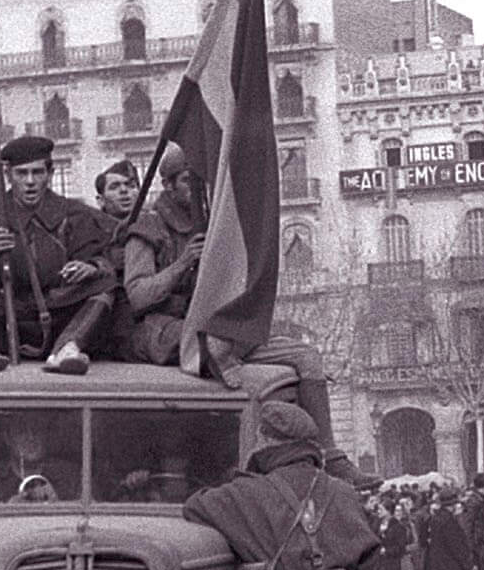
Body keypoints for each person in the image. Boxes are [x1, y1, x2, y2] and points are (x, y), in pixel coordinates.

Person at [121, 145, 359, 479]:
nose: (198, 190)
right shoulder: (148, 227)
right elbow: (137, 296)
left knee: (307, 358)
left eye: (203, 181)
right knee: (230, 364)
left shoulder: (214, 224)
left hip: (215, 330)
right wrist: (183, 263)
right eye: (188, 181)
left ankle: (331, 457)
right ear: (168, 185)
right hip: (163, 330)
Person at [182, 401, 381, 570]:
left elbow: (194, 506)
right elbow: (367, 569)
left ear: (265, 440)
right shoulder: (345, 492)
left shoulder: (247, 494)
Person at [0, 134, 119, 375]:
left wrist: (91, 267)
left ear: (50, 174)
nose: (30, 181)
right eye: (21, 173)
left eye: (37, 172)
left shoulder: (74, 214)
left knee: (105, 287)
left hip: (60, 312)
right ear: (8, 175)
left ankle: (67, 349)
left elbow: (106, 258)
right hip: (1, 317)